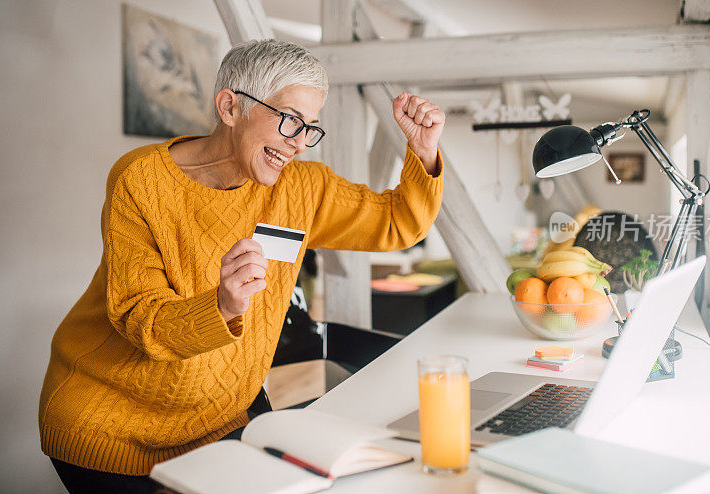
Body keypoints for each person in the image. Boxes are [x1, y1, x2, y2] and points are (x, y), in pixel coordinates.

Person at [39, 39, 445, 492]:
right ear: (230, 107)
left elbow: (396, 223)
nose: (298, 143)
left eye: (310, 127)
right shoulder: (141, 181)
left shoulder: (303, 188)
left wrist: (424, 151)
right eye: (289, 119)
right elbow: (141, 319)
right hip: (112, 420)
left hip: (221, 417)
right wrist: (222, 305)